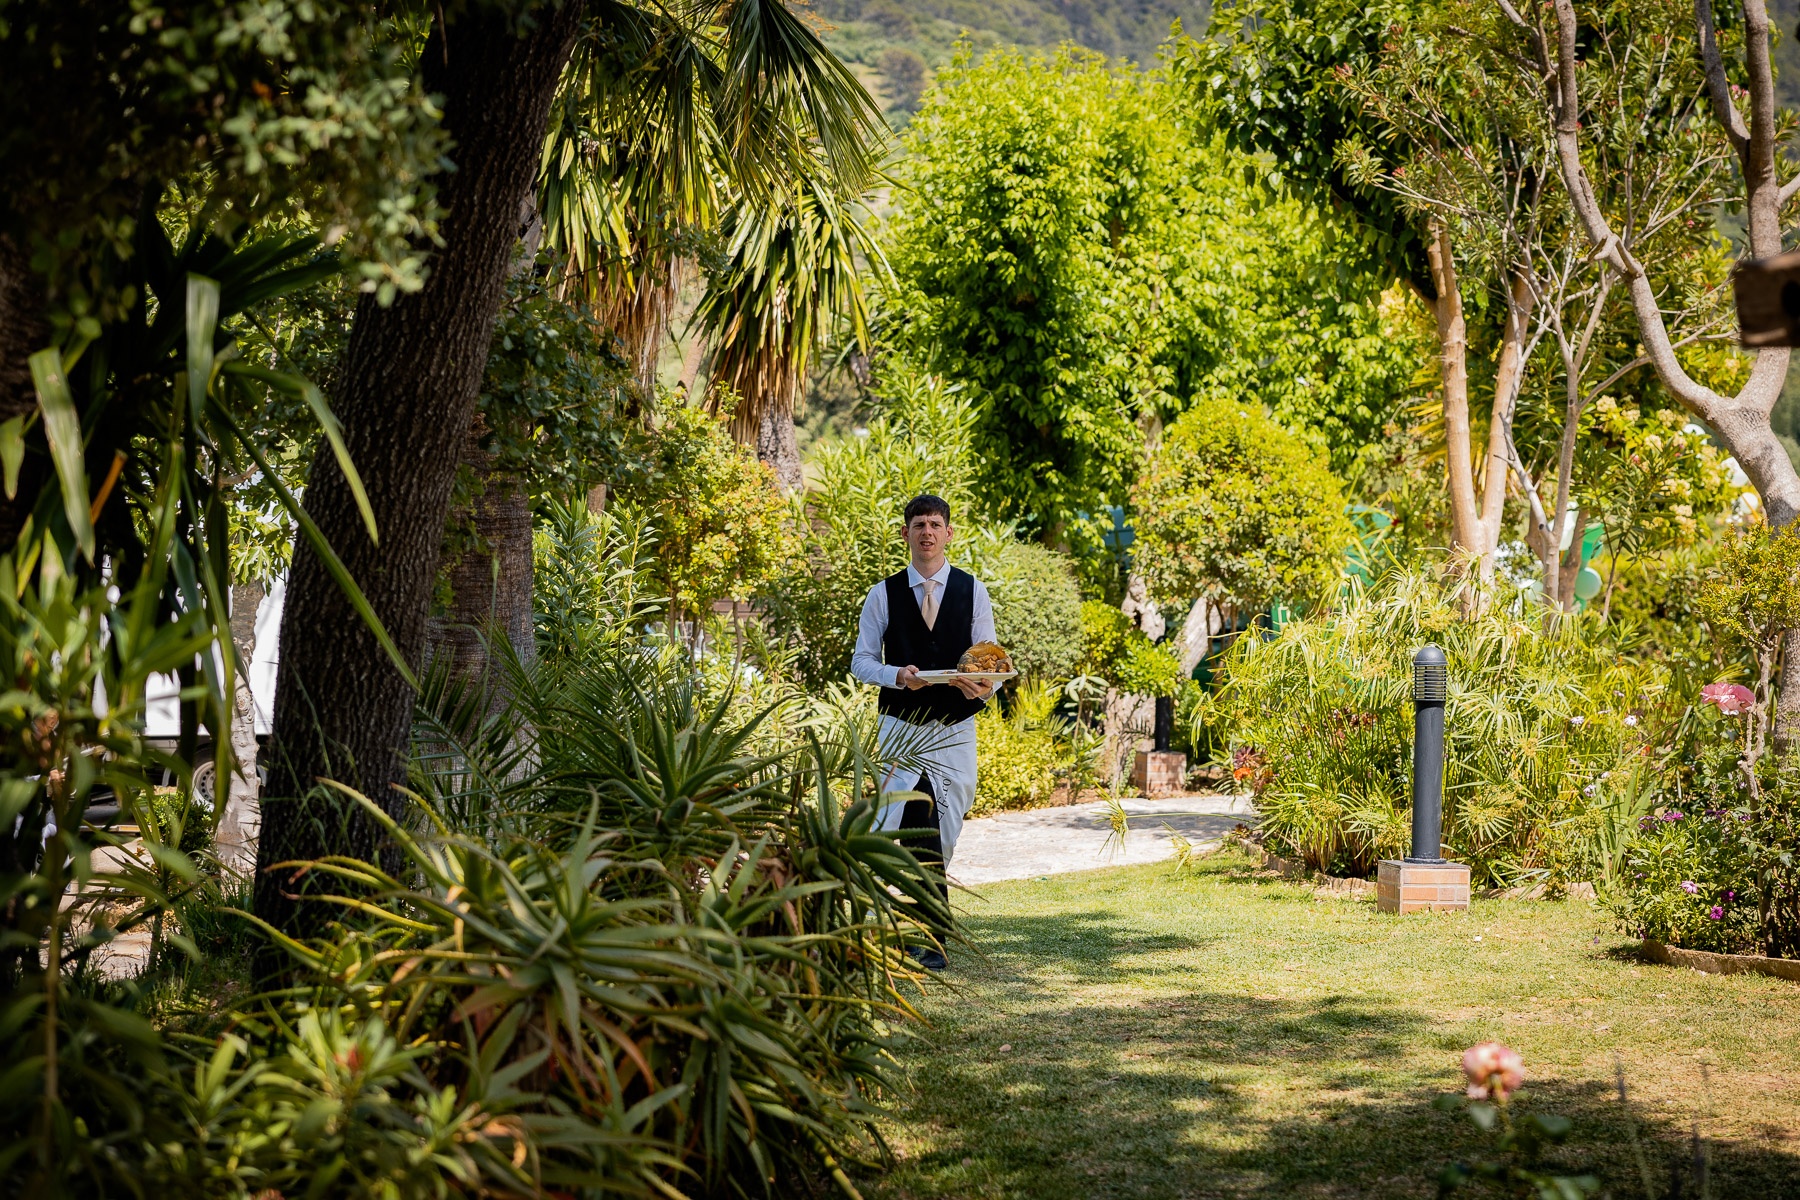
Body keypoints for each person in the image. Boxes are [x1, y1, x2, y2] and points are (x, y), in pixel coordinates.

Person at [850, 494, 998, 970]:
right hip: (901, 726)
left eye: (936, 524)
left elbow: (990, 664)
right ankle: (908, 935)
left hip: (955, 729)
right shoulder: (882, 593)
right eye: (919, 524)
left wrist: (981, 690)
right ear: (906, 534)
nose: (928, 532)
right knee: (895, 825)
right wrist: (898, 675)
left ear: (949, 533)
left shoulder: (973, 591)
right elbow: (861, 662)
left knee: (946, 830)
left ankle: (916, 928)